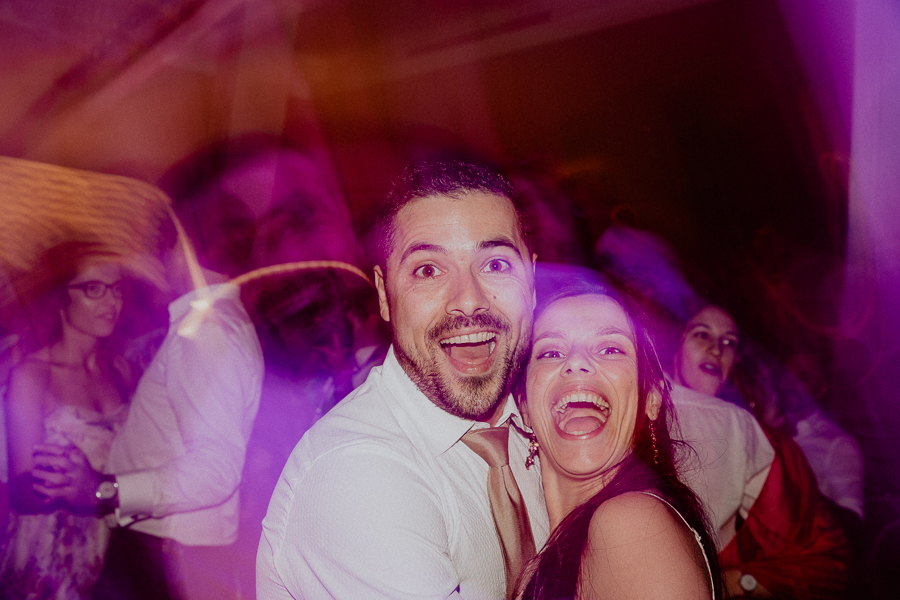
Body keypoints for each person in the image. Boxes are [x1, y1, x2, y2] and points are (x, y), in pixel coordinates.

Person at [257, 159, 550, 599]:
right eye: (428, 270)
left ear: (532, 281)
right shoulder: (355, 476)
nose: (468, 301)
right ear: (383, 294)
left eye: (495, 265)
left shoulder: (542, 426)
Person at [31, 187, 265, 600]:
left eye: (159, 240)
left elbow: (215, 472)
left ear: (186, 246)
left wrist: (104, 490)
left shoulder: (206, 333)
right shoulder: (210, 325)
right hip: (160, 553)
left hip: (164, 557)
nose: (151, 255)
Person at [515, 281, 719, 600]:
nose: (576, 362)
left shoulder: (631, 523)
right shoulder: (544, 554)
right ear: (524, 408)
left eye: (610, 349)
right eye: (551, 352)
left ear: (651, 399)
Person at [674, 304, 851, 599]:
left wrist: (739, 581)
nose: (716, 349)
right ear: (678, 342)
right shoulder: (638, 406)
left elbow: (825, 554)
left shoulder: (752, 434)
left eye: (729, 342)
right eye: (702, 334)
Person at [0, 242, 133, 599]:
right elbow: (20, 492)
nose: (112, 301)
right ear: (62, 296)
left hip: (108, 559)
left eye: (117, 288)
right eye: (94, 289)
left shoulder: (119, 369)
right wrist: (66, 484)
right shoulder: (32, 375)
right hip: (47, 563)